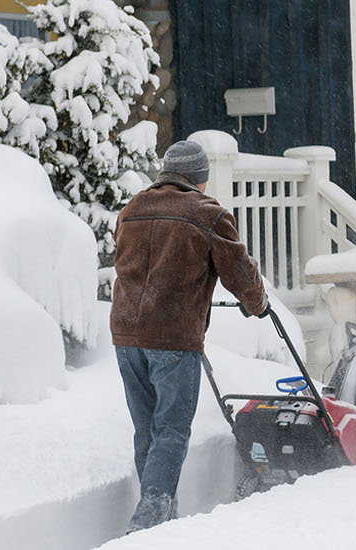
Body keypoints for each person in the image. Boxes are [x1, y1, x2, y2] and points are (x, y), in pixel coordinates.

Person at [110, 140, 268, 532]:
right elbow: (240, 272)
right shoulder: (208, 214)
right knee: (172, 430)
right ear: (200, 179)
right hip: (172, 337)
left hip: (126, 336)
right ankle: (148, 519)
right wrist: (258, 303)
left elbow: (125, 263)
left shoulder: (132, 210)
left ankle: (162, 522)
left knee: (148, 430)